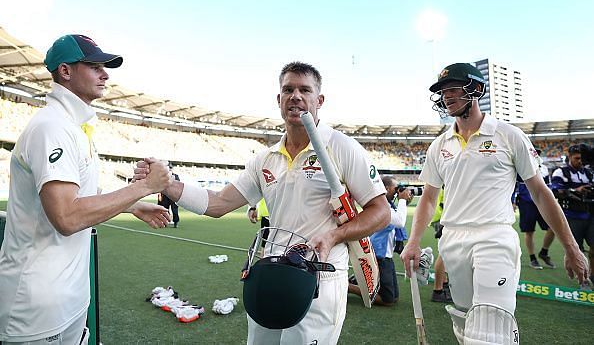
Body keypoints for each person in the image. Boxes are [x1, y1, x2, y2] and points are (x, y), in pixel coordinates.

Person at [135, 61, 390, 345]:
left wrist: (335, 235)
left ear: (319, 100)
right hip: (271, 272)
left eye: (305, 90)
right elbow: (218, 203)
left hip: (319, 278)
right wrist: (166, 184)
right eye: (288, 89)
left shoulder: (342, 147)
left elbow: (381, 213)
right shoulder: (265, 158)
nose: (296, 96)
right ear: (278, 99)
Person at [0, 34, 173, 344]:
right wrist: (145, 186)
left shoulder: (73, 127)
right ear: (65, 71)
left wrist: (131, 204)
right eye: (95, 66)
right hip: (38, 306)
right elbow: (66, 216)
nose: (105, 74)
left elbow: (79, 198)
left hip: (68, 299)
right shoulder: (52, 126)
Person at [400, 63, 589, 344]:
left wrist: (572, 247)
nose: (446, 96)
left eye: (453, 88)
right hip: (452, 239)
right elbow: (428, 198)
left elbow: (540, 193)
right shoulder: (439, 145)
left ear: (476, 89)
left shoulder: (509, 135)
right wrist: (413, 241)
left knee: (489, 326)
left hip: (494, 237)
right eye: (443, 91)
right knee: (464, 322)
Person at [347, 175, 410, 306]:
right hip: (379, 255)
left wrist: (403, 200)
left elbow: (398, 216)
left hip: (386, 255)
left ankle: (359, 280)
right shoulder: (382, 208)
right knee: (388, 300)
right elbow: (400, 222)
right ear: (386, 189)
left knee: (395, 297)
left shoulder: (388, 205)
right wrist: (402, 200)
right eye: (395, 188)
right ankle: (348, 286)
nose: (397, 191)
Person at [551, 144, 594, 286]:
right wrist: (576, 190)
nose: (580, 161)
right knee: (576, 250)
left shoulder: (589, 173)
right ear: (569, 157)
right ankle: (582, 279)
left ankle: (591, 275)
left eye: (582, 158)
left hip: (589, 214)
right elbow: (555, 191)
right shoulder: (560, 172)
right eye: (577, 158)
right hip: (571, 215)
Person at [513, 149, 556, 270]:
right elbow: (514, 185)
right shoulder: (520, 168)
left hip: (542, 203)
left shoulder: (544, 169)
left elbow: (548, 187)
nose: (534, 155)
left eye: (536, 153)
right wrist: (513, 201)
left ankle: (544, 252)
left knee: (552, 228)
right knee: (529, 231)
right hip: (527, 203)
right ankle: (533, 258)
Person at [430, 186, 452, 303]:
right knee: (444, 253)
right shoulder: (446, 180)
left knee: (443, 251)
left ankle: (443, 284)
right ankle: (437, 291)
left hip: (440, 217)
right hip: (443, 218)